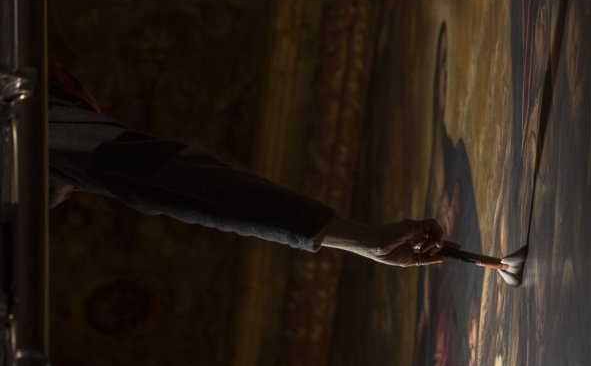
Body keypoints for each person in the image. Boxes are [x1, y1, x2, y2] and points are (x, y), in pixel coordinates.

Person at [46, 64, 445, 267]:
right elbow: (181, 182)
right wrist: (362, 239)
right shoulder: (43, 128)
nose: (66, 195)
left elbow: (181, 187)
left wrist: (364, 241)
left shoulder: (43, 136)